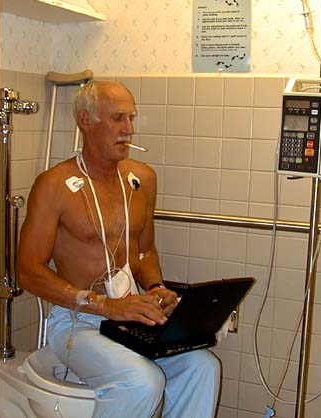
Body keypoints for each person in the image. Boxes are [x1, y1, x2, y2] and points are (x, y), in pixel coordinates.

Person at [16, 80, 220, 418]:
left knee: (202, 366)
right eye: (117, 119)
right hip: (77, 321)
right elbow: (28, 271)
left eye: (131, 118)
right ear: (85, 119)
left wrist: (156, 288)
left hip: (130, 313)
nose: (128, 129)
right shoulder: (54, 186)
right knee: (142, 381)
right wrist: (103, 305)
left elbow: (145, 252)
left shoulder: (142, 180)